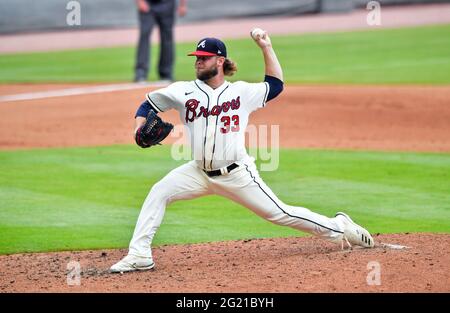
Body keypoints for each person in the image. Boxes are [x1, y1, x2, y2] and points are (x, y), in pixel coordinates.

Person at [111, 29, 375, 273]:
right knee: (159, 192)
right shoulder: (182, 90)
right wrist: (139, 128)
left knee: (280, 213)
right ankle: (140, 254)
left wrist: (266, 46)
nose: (198, 61)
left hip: (237, 174)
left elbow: (275, 85)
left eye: (204, 58)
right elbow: (148, 105)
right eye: (196, 58)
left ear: (219, 61)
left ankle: (340, 226)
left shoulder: (241, 93)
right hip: (198, 172)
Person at [134, 0, 187, 82]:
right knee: (144, 35)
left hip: (167, 4)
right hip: (148, 3)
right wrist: (140, 1)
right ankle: (140, 73)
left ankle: (166, 74)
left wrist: (182, 5)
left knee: (167, 38)